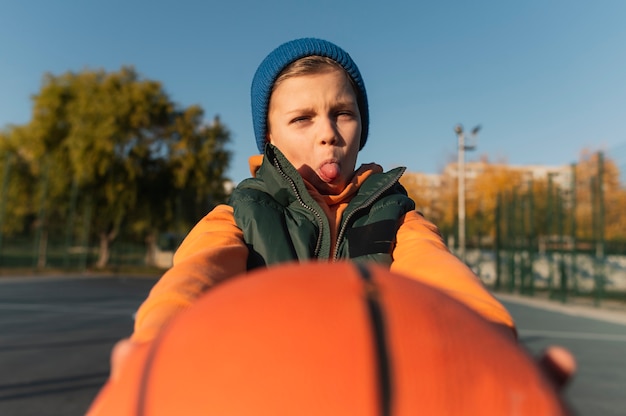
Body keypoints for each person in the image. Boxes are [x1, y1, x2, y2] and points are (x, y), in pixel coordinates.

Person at [112, 38, 518, 372]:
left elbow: (445, 279)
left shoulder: (397, 218)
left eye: (343, 113)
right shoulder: (239, 215)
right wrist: (153, 345)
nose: (328, 133)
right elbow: (191, 280)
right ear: (268, 138)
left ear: (362, 129)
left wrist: (494, 343)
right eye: (302, 118)